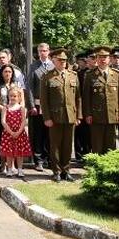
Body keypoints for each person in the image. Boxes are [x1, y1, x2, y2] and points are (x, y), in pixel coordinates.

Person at [40, 48, 82, 182]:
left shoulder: (73, 75)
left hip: (70, 115)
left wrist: (78, 116)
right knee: (55, 145)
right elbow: (44, 100)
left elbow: (78, 98)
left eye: (64, 60)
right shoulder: (47, 76)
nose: (63, 62)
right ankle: (56, 171)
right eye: (60, 60)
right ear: (54, 61)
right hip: (55, 117)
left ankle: (66, 170)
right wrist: (47, 118)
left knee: (68, 145)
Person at [82, 46, 119, 154]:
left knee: (111, 146)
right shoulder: (90, 75)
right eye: (100, 57)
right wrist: (87, 114)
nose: (103, 59)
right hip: (96, 116)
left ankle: (109, 169)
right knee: (97, 144)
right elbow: (86, 97)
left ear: (109, 58)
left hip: (112, 115)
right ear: (96, 59)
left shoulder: (116, 74)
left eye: (105, 57)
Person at [27, 43, 52, 172]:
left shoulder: (53, 66)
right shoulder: (33, 66)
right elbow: (30, 87)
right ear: (38, 52)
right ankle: (39, 160)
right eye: (40, 51)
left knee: (50, 134)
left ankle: (49, 158)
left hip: (51, 107)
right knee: (38, 133)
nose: (43, 53)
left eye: (45, 50)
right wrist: (31, 105)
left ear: (49, 51)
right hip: (37, 105)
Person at [0, 86, 32, 177]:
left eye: (15, 96)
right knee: (9, 153)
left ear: (19, 97)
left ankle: (20, 170)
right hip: (8, 134)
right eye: (11, 96)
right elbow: (3, 121)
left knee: (20, 153)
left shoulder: (22, 108)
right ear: (8, 97)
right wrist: (10, 132)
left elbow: (23, 121)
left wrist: (18, 132)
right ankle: (9, 169)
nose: (12, 98)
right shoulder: (5, 108)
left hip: (20, 134)